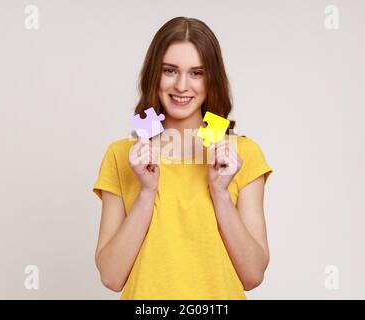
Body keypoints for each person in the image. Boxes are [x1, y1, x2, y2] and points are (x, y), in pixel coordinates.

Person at [92, 17, 273, 300]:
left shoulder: (242, 155)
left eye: (196, 72)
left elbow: (252, 276)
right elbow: (111, 277)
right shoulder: (122, 155)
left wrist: (220, 193)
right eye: (170, 70)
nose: (181, 85)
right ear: (154, 74)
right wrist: (146, 193)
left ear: (211, 78)